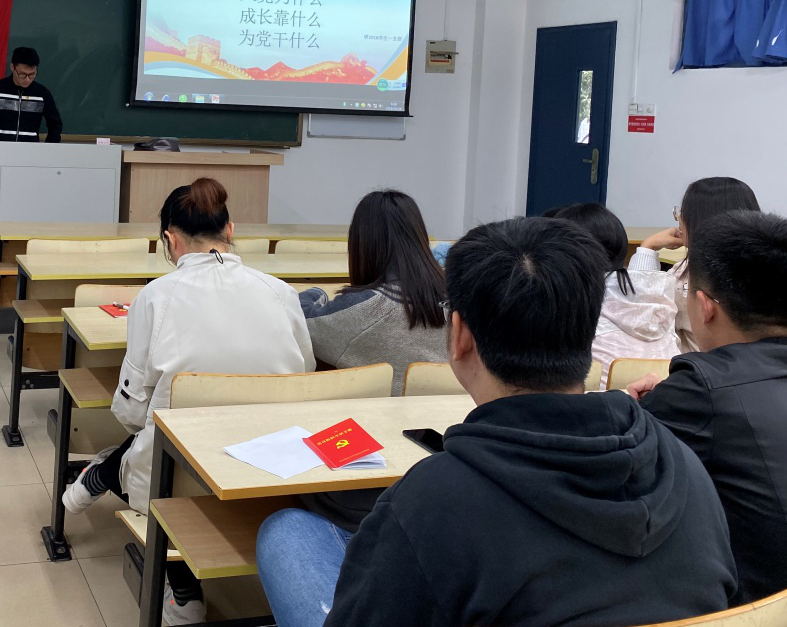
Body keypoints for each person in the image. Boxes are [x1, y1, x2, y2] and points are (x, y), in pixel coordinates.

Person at [256, 217, 737, 627]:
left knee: (289, 532)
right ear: (588, 328)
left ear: (459, 335)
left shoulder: (432, 500)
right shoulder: (684, 465)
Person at [61, 177, 314, 625]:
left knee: (153, 456)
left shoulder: (155, 298)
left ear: (170, 240)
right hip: (271, 471)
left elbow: (131, 411)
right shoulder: (281, 292)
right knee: (155, 447)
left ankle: (179, 586)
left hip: (179, 476)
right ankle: (102, 473)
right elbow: (304, 377)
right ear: (230, 230)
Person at [626, 210, 787, 606]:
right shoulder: (704, 389)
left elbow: (621, 476)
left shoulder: (700, 389)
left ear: (704, 306)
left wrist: (635, 407)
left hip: (750, 608)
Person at [295, 190, 446, 535]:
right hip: (439, 472)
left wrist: (316, 294)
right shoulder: (461, 306)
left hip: (363, 485)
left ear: (362, 244)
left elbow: (302, 324)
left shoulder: (364, 309)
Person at [554, 202, 680, 389]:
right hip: (663, 398)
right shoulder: (660, 298)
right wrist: (647, 248)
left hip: (598, 401)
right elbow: (641, 281)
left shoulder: (575, 304)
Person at [636, 176, 760, 352]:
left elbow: (641, 320)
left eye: (681, 213)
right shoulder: (767, 269)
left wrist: (647, 247)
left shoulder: (688, 277)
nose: (679, 221)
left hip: (704, 367)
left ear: (698, 220)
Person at [0, 46, 63, 142]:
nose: (27, 79)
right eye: (22, 74)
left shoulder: (42, 93)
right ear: (12, 67)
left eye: (32, 74)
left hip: (30, 151)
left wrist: (49, 148)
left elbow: (55, 124)